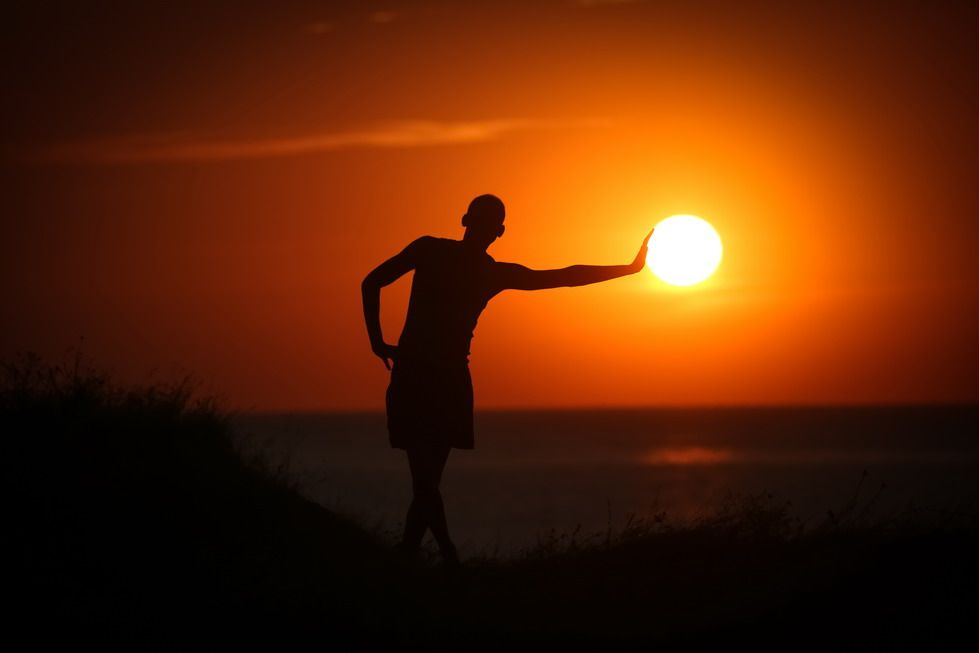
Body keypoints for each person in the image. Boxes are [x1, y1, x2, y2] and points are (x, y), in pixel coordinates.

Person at [361, 194, 652, 565]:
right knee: (425, 480)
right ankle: (442, 556)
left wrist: (628, 269)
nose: (483, 228)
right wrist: (376, 342)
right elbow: (371, 283)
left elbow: (565, 276)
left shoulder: (480, 268)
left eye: (488, 222)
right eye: (481, 220)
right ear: (469, 221)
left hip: (442, 379)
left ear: (493, 230)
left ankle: (417, 556)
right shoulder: (442, 254)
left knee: (426, 481)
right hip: (424, 376)